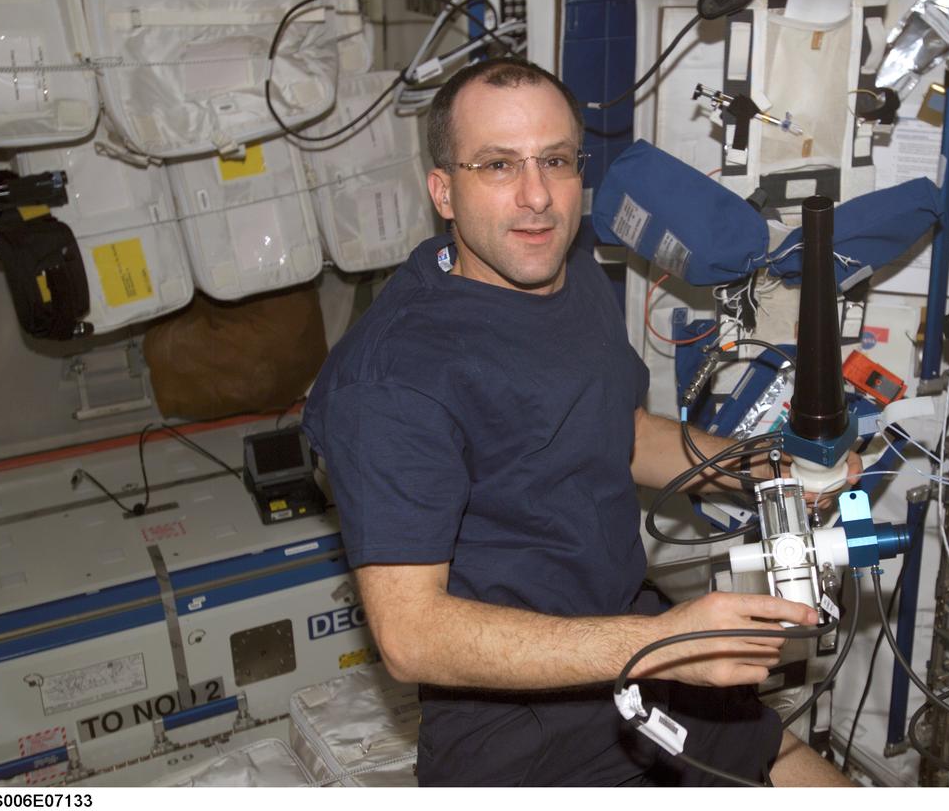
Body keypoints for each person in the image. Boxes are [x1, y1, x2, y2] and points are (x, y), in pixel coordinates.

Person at [303, 57, 858, 787]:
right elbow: (411, 636)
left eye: (556, 161)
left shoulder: (564, 272)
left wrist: (766, 467)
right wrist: (661, 644)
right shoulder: (393, 378)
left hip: (635, 649)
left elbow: (621, 433)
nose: (536, 197)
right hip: (517, 730)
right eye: (498, 165)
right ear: (443, 191)